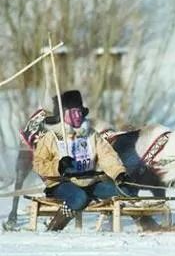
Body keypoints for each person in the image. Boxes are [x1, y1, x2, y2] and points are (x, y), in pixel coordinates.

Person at [32, 90, 136, 231]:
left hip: (90, 181)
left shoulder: (91, 134)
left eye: (80, 111)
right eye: (73, 112)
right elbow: (38, 164)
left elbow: (107, 156)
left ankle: (148, 226)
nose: (78, 115)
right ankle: (54, 228)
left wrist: (119, 173)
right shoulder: (51, 137)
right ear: (64, 114)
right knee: (79, 198)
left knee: (126, 190)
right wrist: (58, 166)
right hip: (63, 183)